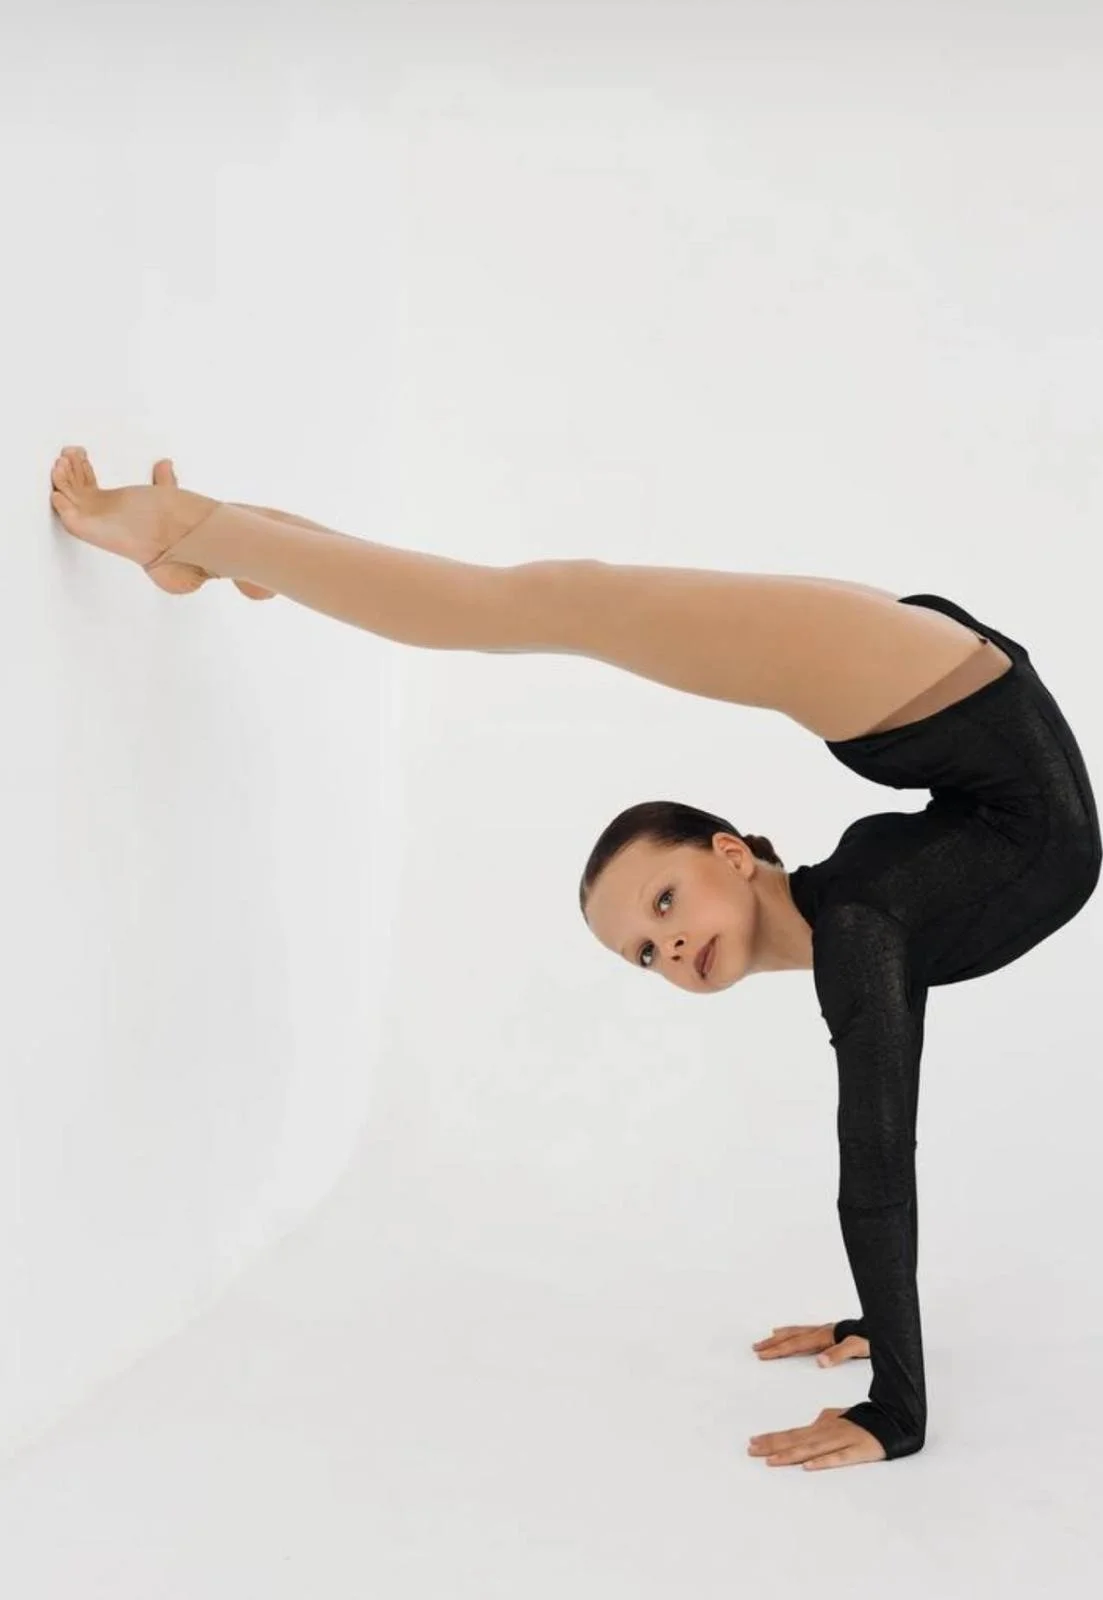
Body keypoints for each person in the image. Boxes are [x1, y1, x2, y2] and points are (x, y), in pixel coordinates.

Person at [48, 446, 1101, 1470]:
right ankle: (224, 540)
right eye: (645, 949)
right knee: (546, 600)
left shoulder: (863, 921)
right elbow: (877, 1160)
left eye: (660, 904)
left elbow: (873, 1168)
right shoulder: (863, 912)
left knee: (553, 600)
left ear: (730, 855)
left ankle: (210, 535)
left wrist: (891, 1394)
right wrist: (886, 1359)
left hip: (946, 697)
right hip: (954, 707)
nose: (668, 943)